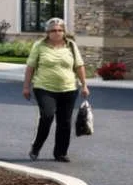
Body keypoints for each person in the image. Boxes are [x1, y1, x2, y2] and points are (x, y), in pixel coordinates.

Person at [21, 18, 88, 163]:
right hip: (44, 87)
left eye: (60, 30)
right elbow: (30, 67)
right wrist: (26, 87)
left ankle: (61, 153)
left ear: (64, 32)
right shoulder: (40, 46)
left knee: (64, 122)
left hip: (69, 88)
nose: (57, 33)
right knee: (47, 116)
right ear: (47, 32)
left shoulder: (71, 46)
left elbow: (79, 66)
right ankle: (36, 146)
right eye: (53, 30)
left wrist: (84, 85)